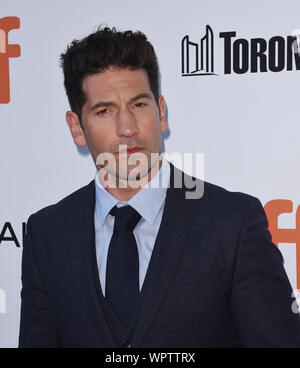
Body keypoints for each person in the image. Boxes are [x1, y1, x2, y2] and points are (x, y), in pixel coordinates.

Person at [19, 26, 300, 348]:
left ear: (161, 113)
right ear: (77, 128)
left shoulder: (232, 222)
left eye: (139, 105)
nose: (128, 128)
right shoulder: (47, 233)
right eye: (105, 111)